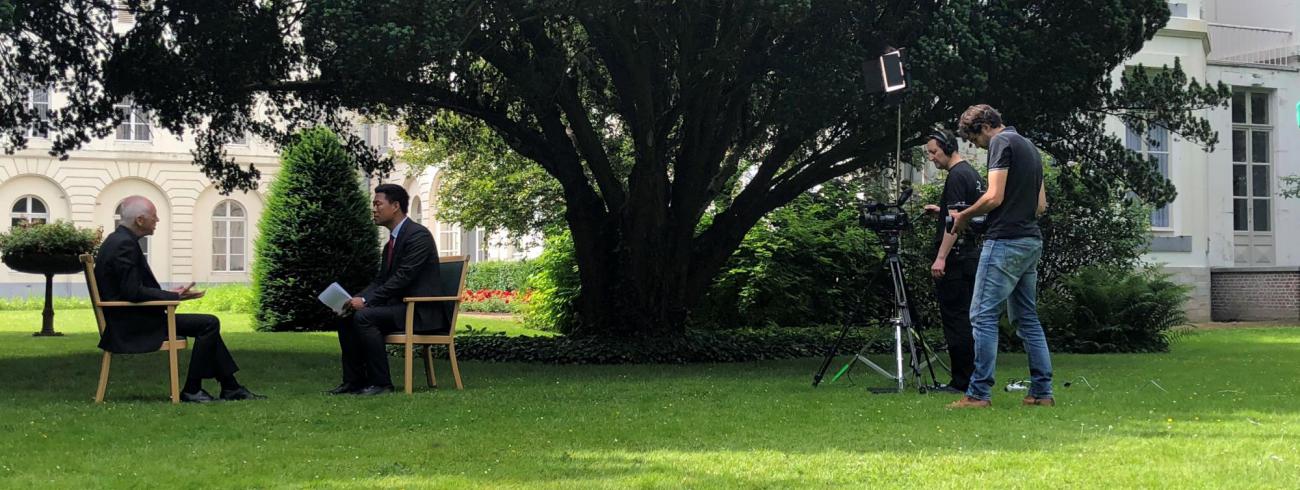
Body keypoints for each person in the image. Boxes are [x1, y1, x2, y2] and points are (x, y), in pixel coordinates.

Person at [95, 196, 263, 403]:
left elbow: (131, 289)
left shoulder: (118, 241)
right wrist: (173, 296)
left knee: (207, 325)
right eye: (154, 217)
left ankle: (230, 387)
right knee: (209, 324)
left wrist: (172, 294)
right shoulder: (124, 245)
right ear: (140, 220)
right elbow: (132, 292)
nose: (157, 221)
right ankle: (194, 389)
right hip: (133, 326)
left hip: (130, 319)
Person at [947, 104, 1053, 408]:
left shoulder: (1000, 143)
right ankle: (1041, 393)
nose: (975, 146)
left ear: (982, 128)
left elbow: (994, 196)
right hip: (1030, 240)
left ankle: (978, 393)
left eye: (973, 139)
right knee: (1027, 318)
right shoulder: (1029, 146)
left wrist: (965, 216)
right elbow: (1040, 205)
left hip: (1005, 242)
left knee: (981, 315)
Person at [328, 184, 445, 396]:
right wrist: (355, 299)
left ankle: (381, 383)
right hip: (398, 308)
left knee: (364, 317)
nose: (373, 209)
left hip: (419, 311)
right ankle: (353, 381)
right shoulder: (391, 243)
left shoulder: (418, 236)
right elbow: (381, 280)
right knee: (347, 316)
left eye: (377, 204)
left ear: (395, 206)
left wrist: (366, 302)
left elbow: (402, 278)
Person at [921, 129, 984, 394]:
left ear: (947, 148)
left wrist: (941, 257)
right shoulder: (971, 173)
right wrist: (941, 209)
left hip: (956, 260)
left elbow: (955, 223)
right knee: (969, 318)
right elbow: (972, 213)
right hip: (971, 257)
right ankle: (972, 376)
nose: (932, 158)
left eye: (934, 152)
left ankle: (961, 381)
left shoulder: (956, 176)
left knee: (956, 319)